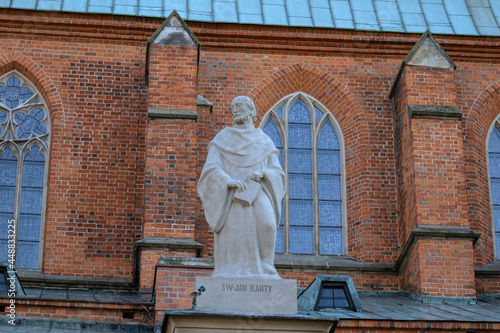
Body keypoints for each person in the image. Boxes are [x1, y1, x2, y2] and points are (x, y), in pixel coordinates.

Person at [197, 96, 285, 279]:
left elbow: (277, 172)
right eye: (232, 107)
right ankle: (229, 270)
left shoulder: (263, 140)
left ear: (252, 111)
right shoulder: (223, 138)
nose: (235, 110)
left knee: (268, 224)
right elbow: (211, 169)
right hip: (232, 195)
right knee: (235, 231)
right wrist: (227, 180)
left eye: (239, 106)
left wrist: (263, 175)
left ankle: (267, 265)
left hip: (258, 191)